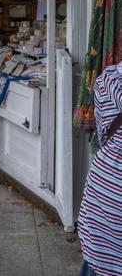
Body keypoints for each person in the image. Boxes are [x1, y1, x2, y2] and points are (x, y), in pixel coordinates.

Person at [78, 63, 122, 276]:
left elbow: (104, 131)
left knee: (97, 264)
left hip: (104, 191)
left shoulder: (111, 79)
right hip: (109, 200)